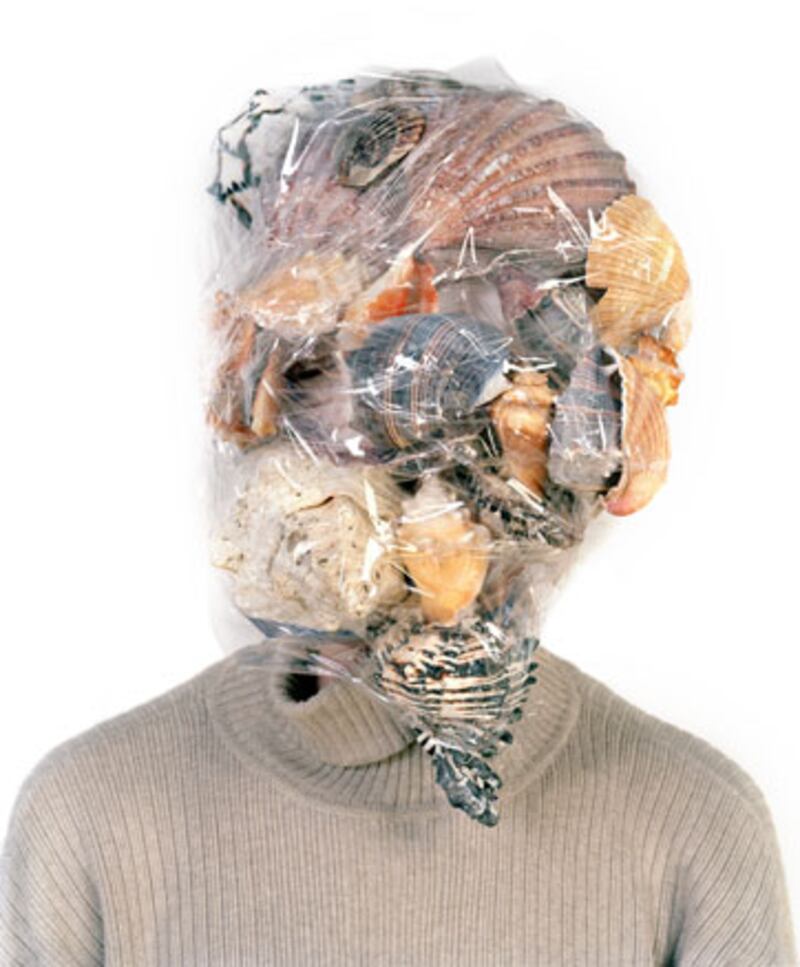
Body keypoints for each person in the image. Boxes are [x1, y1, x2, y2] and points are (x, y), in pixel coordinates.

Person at [2, 66, 796, 965]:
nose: (424, 445)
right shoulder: (92, 824)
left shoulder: (694, 835)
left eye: (523, 346)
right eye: (343, 357)